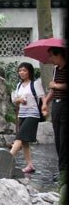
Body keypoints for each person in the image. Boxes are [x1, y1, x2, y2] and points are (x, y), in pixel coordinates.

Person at [10, 62, 45, 173]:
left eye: (24, 70)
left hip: (33, 114)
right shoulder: (19, 85)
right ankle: (30, 165)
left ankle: (6, 159)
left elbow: (43, 97)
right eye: (20, 70)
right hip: (22, 114)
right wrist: (19, 100)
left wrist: (44, 107)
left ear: (29, 71)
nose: (21, 72)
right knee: (24, 141)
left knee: (19, 137)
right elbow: (15, 100)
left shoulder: (35, 84)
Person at [41, 46, 67, 181]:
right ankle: (61, 170)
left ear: (59, 55)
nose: (50, 59)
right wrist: (45, 102)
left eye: (52, 56)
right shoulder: (56, 69)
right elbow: (52, 90)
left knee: (64, 140)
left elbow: (55, 86)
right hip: (56, 105)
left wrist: (56, 86)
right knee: (57, 139)